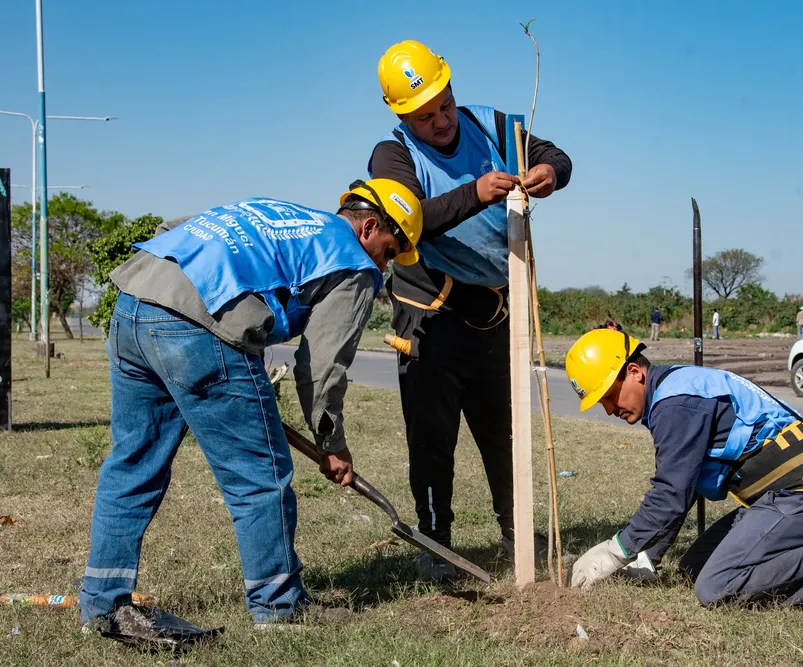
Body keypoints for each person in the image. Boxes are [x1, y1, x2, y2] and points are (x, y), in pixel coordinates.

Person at [79, 180, 423, 633]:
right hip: (197, 329)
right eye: (391, 251)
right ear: (370, 227)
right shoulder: (354, 264)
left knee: (133, 461)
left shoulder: (278, 214)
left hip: (135, 300)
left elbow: (183, 231)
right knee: (259, 476)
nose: (386, 264)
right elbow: (321, 366)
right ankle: (279, 608)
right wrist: (331, 442)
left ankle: (102, 604)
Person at [367, 40, 573, 580]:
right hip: (431, 314)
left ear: (453, 89)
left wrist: (550, 172)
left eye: (444, 105)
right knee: (432, 440)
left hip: (496, 314)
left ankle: (517, 536)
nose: (439, 121)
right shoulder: (393, 158)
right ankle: (437, 547)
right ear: (401, 115)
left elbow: (557, 155)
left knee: (505, 434)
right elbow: (408, 223)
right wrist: (476, 192)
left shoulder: (496, 127)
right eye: (424, 115)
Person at [563, 329, 803, 609]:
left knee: (716, 587)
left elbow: (671, 493)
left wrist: (616, 551)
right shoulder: (674, 390)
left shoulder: (676, 404)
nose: (608, 409)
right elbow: (686, 485)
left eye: (608, 396)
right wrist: (648, 556)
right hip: (777, 500)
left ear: (634, 372)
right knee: (694, 569)